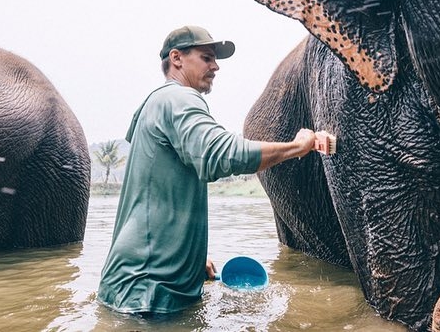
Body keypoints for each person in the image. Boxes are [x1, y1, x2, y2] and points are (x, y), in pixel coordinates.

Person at [97, 25, 330, 315]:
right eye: (207, 57)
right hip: (149, 294)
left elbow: (158, 196)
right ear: (177, 58)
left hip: (130, 286)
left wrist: (192, 256)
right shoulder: (179, 99)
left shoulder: (154, 104)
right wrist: (298, 146)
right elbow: (222, 154)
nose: (216, 66)